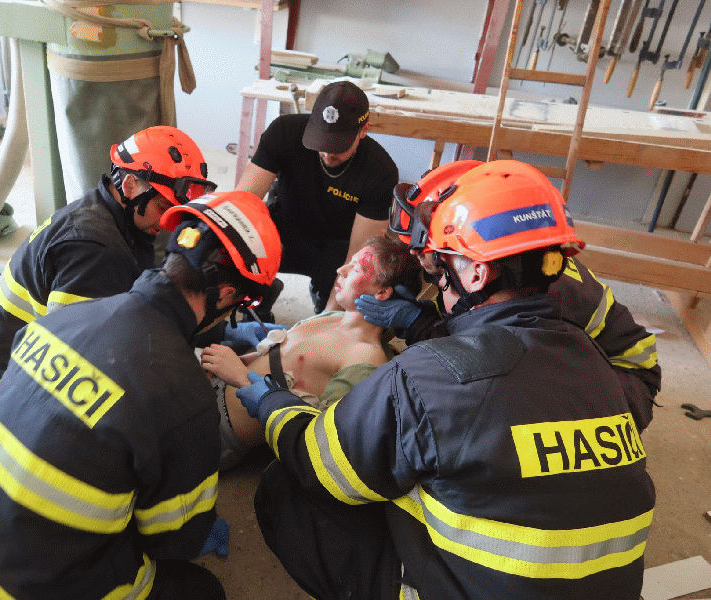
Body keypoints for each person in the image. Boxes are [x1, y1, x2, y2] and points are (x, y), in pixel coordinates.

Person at [239, 160, 656, 600]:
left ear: (476, 272)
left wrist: (273, 404)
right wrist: (423, 326)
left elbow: (320, 462)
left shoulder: (425, 378)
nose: (432, 276)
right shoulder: (593, 360)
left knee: (286, 487)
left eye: (439, 268)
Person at [0, 190, 282, 600]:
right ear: (225, 295)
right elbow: (174, 541)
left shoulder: (64, 317)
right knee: (203, 590)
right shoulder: (187, 398)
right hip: (50, 585)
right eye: (242, 303)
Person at [0, 126, 217, 489]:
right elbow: (76, 360)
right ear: (129, 185)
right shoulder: (97, 250)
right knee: (131, 430)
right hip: (7, 380)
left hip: (2, 359)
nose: (167, 223)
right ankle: (2, 443)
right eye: (162, 207)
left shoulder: (112, 216)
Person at [357, 160, 661, 431]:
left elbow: (480, 355)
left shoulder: (541, 291)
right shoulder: (508, 262)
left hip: (625, 384)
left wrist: (418, 323)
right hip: (582, 361)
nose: (416, 255)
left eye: (422, 247)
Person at [200, 234, 420, 469]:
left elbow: (319, 439)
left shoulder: (365, 360)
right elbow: (284, 357)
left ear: (382, 293)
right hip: (212, 389)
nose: (340, 270)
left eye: (355, 268)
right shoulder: (335, 316)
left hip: (217, 431)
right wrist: (241, 361)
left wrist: (239, 376)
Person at [236, 79, 398, 314]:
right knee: (238, 242)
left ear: (363, 130)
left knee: (347, 297)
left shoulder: (380, 171)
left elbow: (357, 257)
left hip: (337, 247)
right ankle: (260, 300)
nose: (328, 152)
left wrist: (325, 320)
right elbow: (240, 205)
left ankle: (323, 297)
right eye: (321, 140)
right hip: (284, 229)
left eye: (339, 145)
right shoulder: (283, 132)